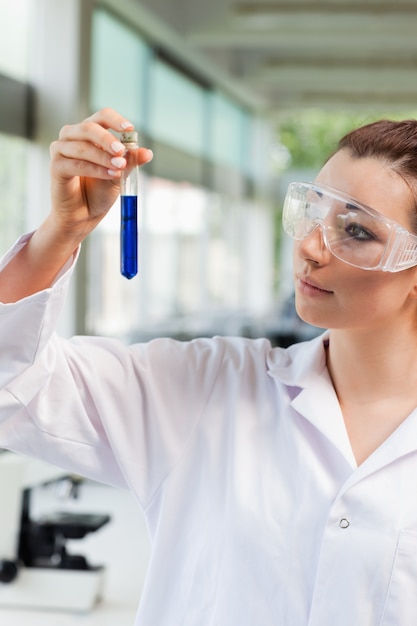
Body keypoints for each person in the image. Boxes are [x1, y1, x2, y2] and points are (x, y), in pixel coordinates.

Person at [1, 107, 417, 625]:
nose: (309, 247)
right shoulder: (209, 389)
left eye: (355, 230)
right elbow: (13, 386)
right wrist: (62, 231)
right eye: (313, 211)